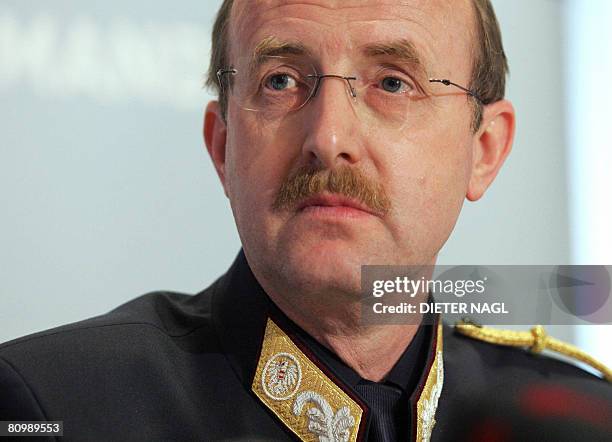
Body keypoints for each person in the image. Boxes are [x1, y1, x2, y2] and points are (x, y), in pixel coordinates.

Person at [1, 1, 611, 441]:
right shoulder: (52, 402)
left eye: (393, 83)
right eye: (282, 81)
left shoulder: (574, 419)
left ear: (484, 151)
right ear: (222, 148)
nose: (328, 137)